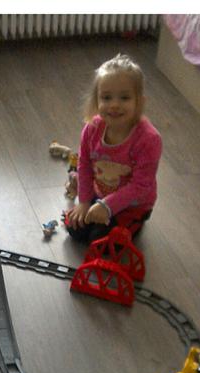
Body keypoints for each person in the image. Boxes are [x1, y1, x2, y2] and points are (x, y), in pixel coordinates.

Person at [65, 54, 162, 244]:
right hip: (99, 195)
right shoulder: (92, 129)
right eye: (106, 97)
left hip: (133, 205)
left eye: (124, 98)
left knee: (100, 239)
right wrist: (84, 202)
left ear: (140, 102)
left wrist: (107, 206)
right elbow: (84, 165)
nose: (115, 105)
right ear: (97, 100)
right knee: (75, 229)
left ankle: (136, 222)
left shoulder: (149, 139)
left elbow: (141, 186)